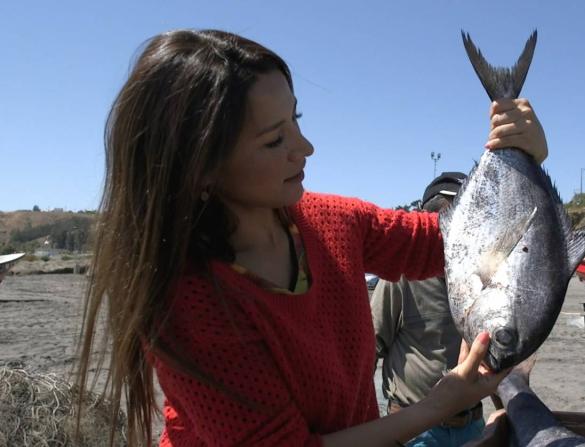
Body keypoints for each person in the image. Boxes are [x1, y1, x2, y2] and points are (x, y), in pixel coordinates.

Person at [74, 29, 549, 446]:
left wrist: (527, 158)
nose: (305, 148)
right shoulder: (190, 301)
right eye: (274, 140)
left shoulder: (331, 221)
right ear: (200, 167)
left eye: (296, 121)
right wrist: (437, 405)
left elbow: (456, 246)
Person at [372, 171, 487, 447]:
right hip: (415, 432)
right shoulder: (400, 279)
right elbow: (369, 347)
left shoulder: (482, 283)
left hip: (473, 426)